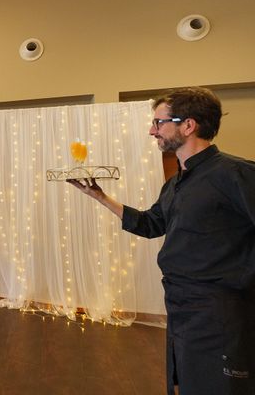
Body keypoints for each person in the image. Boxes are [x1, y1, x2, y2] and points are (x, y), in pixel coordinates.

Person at [68, 87, 255, 395]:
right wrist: (100, 196)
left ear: (188, 125)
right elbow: (150, 224)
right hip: (181, 305)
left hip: (222, 310)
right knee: (189, 383)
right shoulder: (175, 185)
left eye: (159, 123)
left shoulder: (235, 174)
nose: (152, 130)